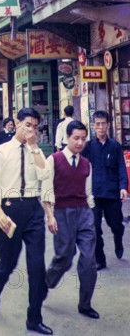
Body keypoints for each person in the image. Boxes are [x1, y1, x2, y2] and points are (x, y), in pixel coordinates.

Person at [0, 107, 52, 335]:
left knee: (36, 267)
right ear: (16, 123)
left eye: (35, 126)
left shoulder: (36, 151)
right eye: (27, 125)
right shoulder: (1, 151)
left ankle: (34, 318)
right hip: (10, 209)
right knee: (8, 262)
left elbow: (45, 175)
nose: (30, 130)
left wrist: (34, 146)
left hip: (33, 210)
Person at [42, 120, 99, 321]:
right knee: (64, 257)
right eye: (76, 138)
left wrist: (91, 214)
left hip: (84, 213)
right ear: (66, 138)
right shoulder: (54, 160)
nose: (80, 142)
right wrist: (50, 215)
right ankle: (45, 284)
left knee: (89, 261)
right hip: (62, 212)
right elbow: (47, 191)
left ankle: (85, 304)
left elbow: (88, 192)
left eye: (83, 139)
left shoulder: (86, 164)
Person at [82, 110, 128, 270]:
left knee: (115, 224)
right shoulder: (88, 147)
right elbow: (82, 168)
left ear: (108, 125)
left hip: (112, 193)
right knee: (94, 227)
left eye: (103, 124)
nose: (101, 127)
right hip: (94, 194)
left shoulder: (115, 146)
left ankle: (118, 237)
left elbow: (122, 168)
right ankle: (100, 259)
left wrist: (123, 187)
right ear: (93, 126)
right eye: (97, 124)